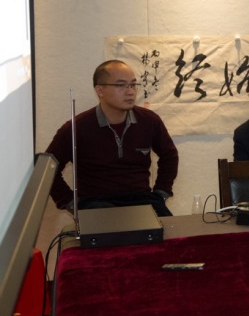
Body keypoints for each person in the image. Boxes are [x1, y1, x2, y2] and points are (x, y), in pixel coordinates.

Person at [46, 60, 179, 216]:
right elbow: (47, 169)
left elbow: (169, 155)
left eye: (133, 85)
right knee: (108, 228)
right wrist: (71, 203)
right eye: (121, 85)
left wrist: (161, 192)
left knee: (171, 229)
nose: (130, 92)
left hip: (141, 201)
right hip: (96, 205)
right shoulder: (77, 127)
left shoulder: (149, 120)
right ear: (100, 90)